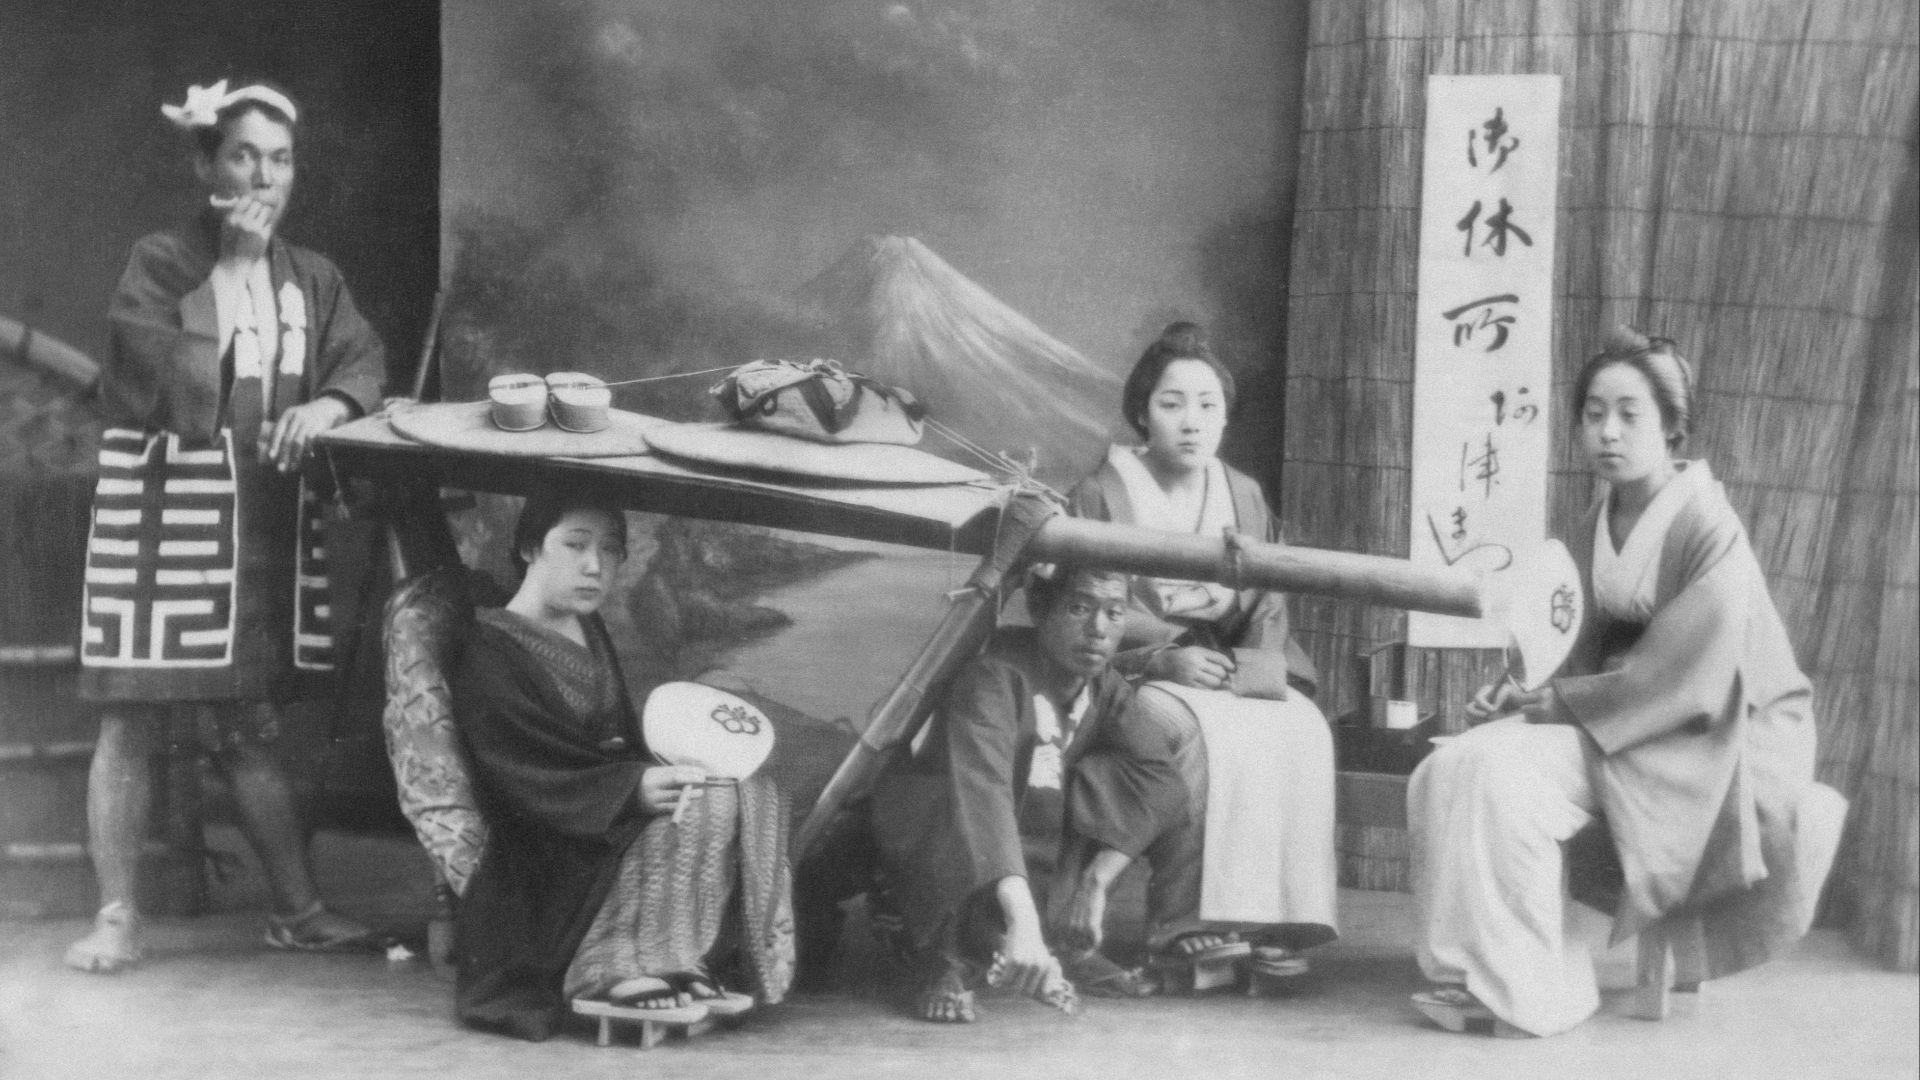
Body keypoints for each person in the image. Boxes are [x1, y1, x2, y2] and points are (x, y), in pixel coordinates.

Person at [1408, 327, 1833, 1037]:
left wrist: (1564, 704)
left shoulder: (1707, 524)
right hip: (1626, 712)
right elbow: (1568, 637)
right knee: (1447, 765)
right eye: (1594, 413)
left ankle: (1536, 990)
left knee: (1501, 778)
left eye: (1630, 414)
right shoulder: (1595, 522)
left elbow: (1692, 669)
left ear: (1672, 426)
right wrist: (1518, 687)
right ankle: (1469, 969)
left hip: (1717, 730)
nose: (1608, 431)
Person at [68, 79, 385, 972]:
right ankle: (119, 914)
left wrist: (327, 405)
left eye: (280, 159)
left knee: (247, 723)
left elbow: (362, 359)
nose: (263, 176)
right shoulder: (160, 263)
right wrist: (235, 272)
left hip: (257, 523)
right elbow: (178, 397)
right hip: (161, 513)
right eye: (243, 154)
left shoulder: (315, 277)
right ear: (206, 163)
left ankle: (297, 906)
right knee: (130, 720)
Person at [451, 495, 793, 1041]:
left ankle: (676, 959)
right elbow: (519, 764)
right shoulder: (487, 648)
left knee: (735, 790)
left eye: (611, 551)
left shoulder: (589, 630)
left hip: (597, 807)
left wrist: (650, 772)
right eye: (576, 545)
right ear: (528, 548)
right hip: (544, 839)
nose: (595, 566)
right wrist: (631, 787)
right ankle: (606, 969)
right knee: (698, 801)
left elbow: (621, 739)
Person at [1065, 321, 1337, 978]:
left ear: (1224, 416)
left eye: (1207, 405)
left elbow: (1268, 594)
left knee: (1300, 727)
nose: (1191, 422)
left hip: (1224, 660)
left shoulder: (1241, 492)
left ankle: (1280, 918)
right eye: (1172, 403)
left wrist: (1252, 669)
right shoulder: (1101, 492)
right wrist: (1160, 656)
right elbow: (1085, 604)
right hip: (1137, 670)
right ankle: (1183, 920)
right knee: (1190, 731)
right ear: (1142, 412)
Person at [870, 565, 1192, 1022]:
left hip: (1020, 832)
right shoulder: (994, 673)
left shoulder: (1105, 687)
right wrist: (1022, 922)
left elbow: (1163, 784)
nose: (1098, 630)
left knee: (1110, 780)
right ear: (1040, 609)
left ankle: (1052, 938)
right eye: (1079, 608)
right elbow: (984, 794)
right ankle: (946, 957)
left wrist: (1095, 881)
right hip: (945, 828)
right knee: (966, 801)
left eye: (1114, 613)